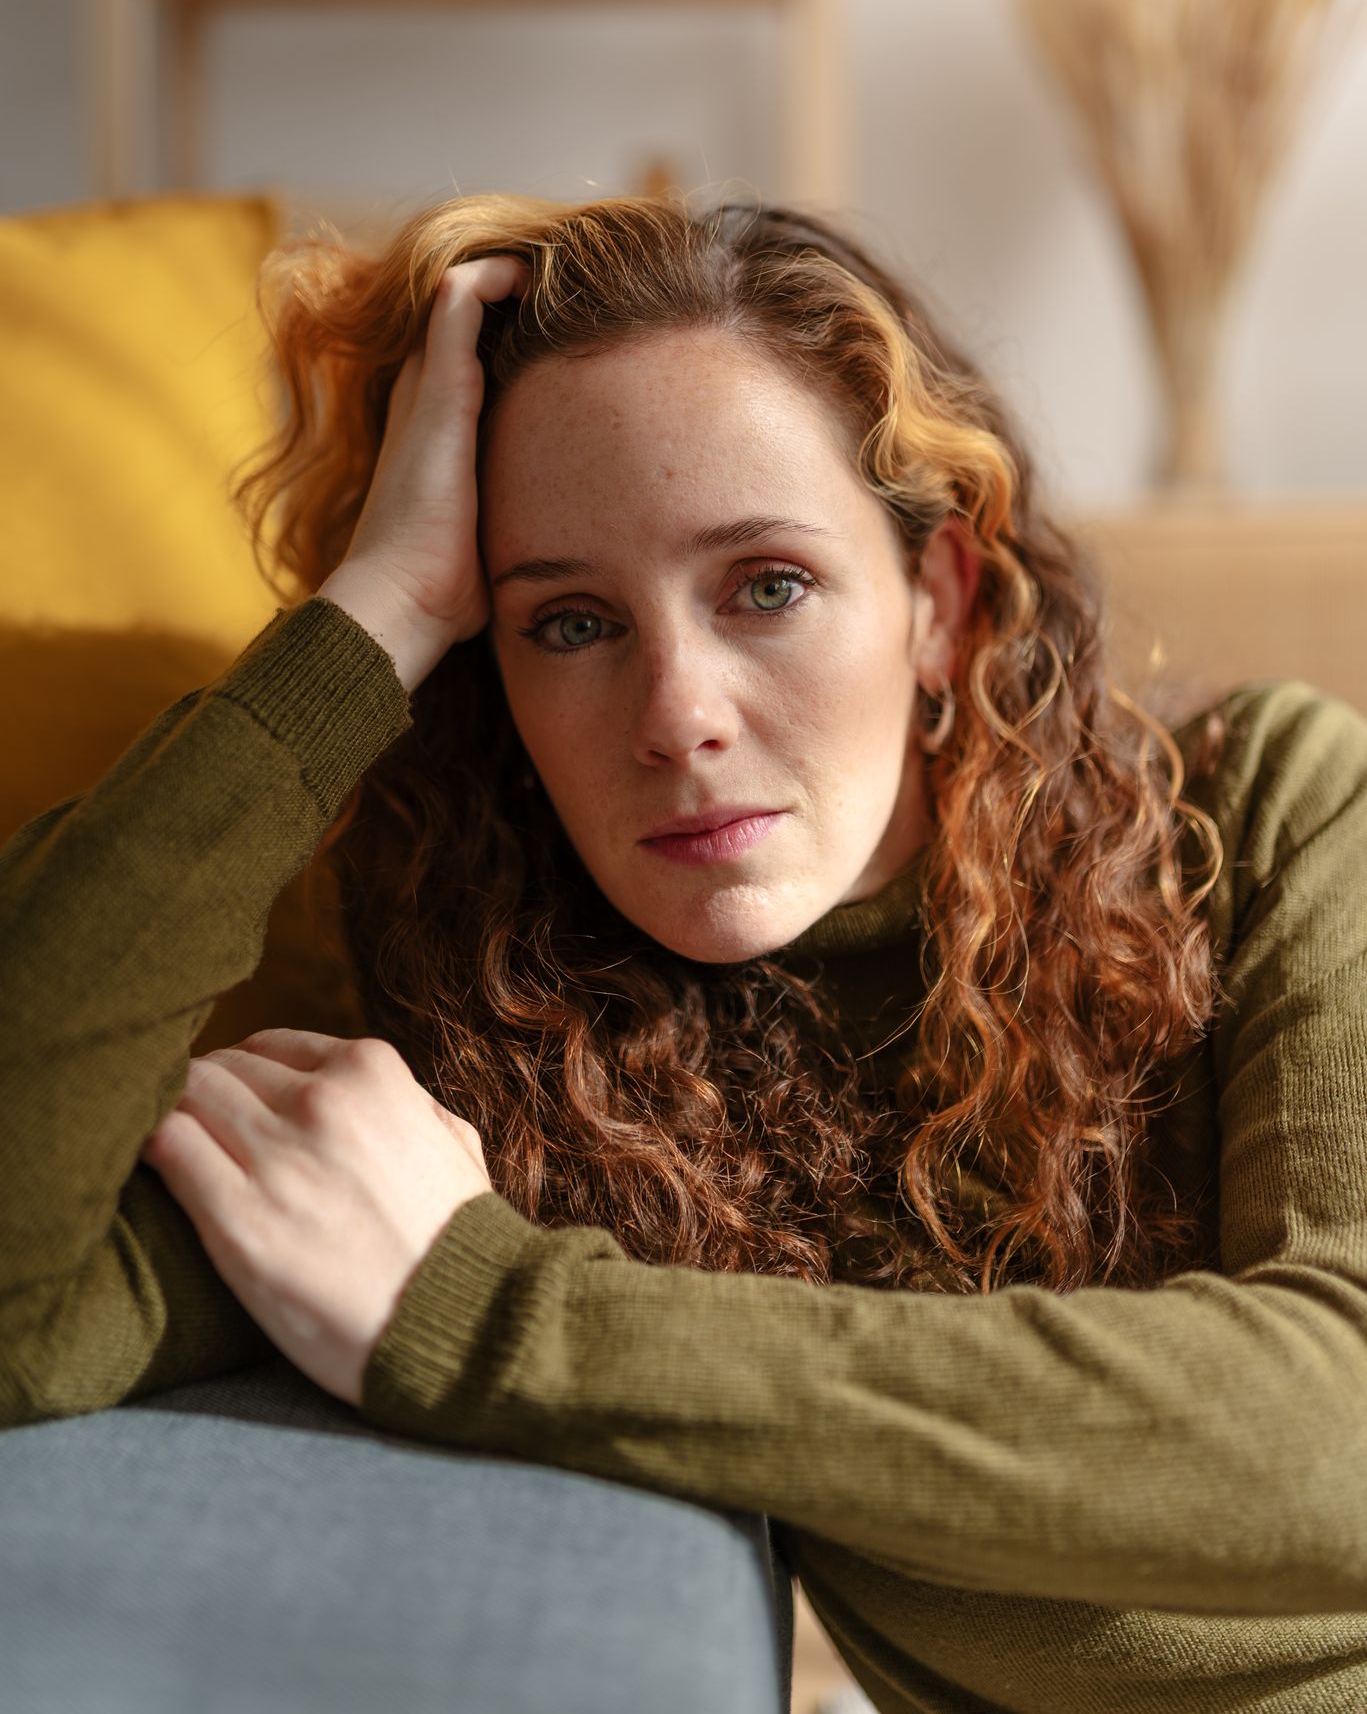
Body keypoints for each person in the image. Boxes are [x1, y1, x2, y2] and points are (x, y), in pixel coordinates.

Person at [2, 191, 1366, 1714]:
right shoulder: (510, 1072)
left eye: (767, 586)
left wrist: (498, 1315)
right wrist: (374, 609)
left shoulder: (1266, 818)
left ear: (940, 599)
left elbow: (1344, 1446)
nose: (678, 714)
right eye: (568, 624)